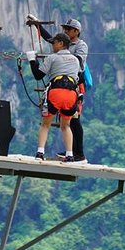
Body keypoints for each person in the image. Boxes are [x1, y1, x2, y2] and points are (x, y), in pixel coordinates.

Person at [25, 14, 89, 162]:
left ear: (76, 31)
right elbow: (50, 39)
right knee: (67, 122)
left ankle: (79, 153)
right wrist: (37, 25)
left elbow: (79, 64)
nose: (66, 31)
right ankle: (70, 152)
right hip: (68, 87)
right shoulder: (61, 45)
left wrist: (61, 59)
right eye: (65, 29)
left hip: (73, 83)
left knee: (74, 120)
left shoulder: (80, 46)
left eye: (68, 29)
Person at [28, 32, 80, 160]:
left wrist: (32, 60)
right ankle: (70, 155)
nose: (52, 45)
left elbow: (38, 75)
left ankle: (40, 153)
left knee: (45, 125)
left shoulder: (52, 58)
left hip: (56, 93)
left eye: (54, 43)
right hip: (71, 95)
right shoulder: (76, 60)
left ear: (61, 44)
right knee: (66, 126)